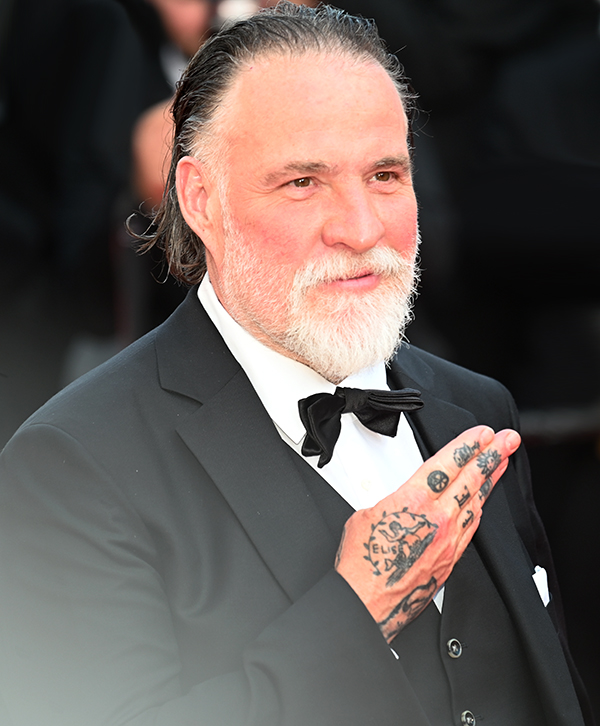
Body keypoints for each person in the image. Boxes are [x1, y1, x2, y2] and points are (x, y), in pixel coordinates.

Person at [0, 3, 591, 725]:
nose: (362, 228)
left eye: (385, 175)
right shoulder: (73, 465)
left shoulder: (476, 409)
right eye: (302, 183)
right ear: (201, 200)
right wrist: (359, 611)